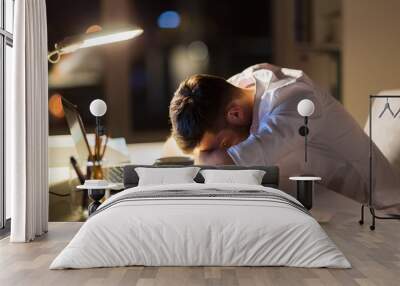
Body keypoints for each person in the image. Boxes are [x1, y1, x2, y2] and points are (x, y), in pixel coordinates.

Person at [169, 63, 400, 209]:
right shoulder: (244, 85)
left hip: (370, 206)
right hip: (322, 200)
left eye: (224, 144)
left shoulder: (298, 102)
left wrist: (211, 159)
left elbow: (231, 164)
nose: (220, 151)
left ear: (235, 114)